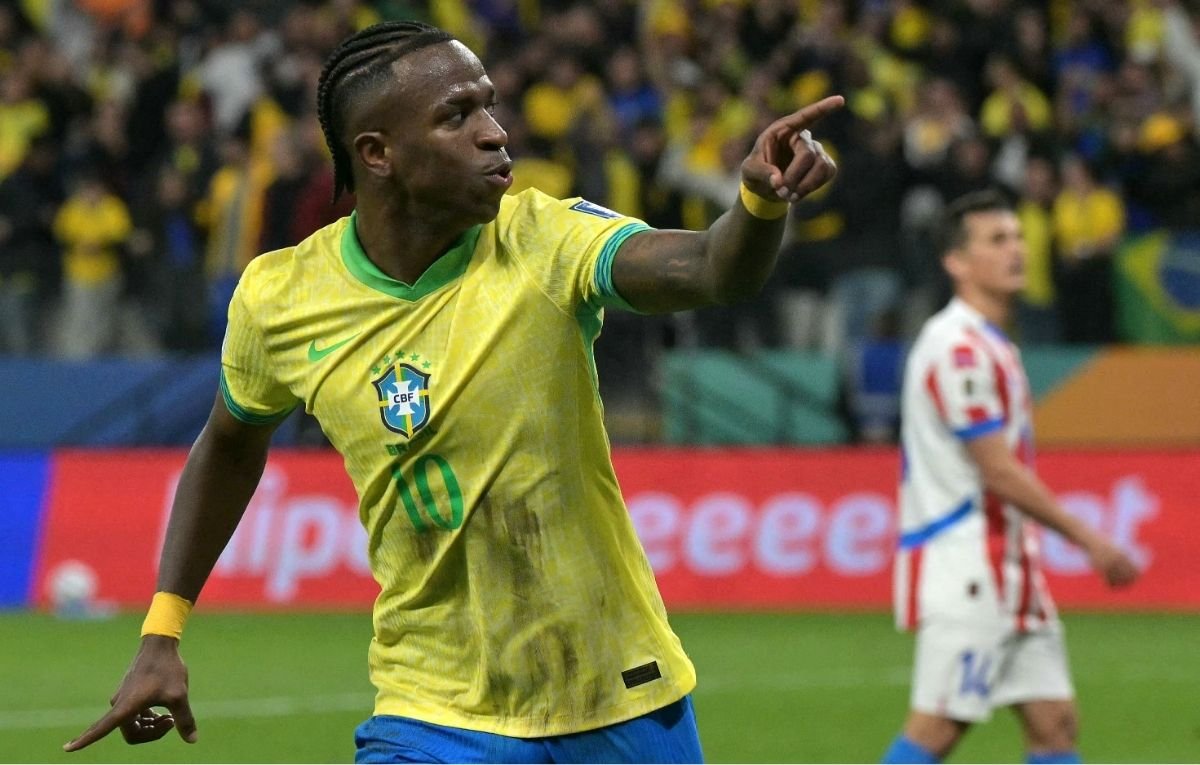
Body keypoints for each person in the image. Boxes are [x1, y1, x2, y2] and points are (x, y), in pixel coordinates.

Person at [63, 21, 841, 763]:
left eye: (490, 106)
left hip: (617, 687)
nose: (495, 132)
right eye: (457, 115)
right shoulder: (280, 298)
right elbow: (229, 444)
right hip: (431, 708)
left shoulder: (545, 238)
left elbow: (708, 268)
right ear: (379, 153)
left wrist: (760, 203)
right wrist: (162, 631)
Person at [881, 189, 1140, 765]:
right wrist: (1090, 538)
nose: (1017, 250)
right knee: (937, 730)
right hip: (970, 562)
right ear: (957, 262)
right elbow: (996, 468)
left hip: (1011, 564)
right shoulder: (959, 348)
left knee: (1055, 725)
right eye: (997, 240)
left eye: (1019, 236)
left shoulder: (992, 344)